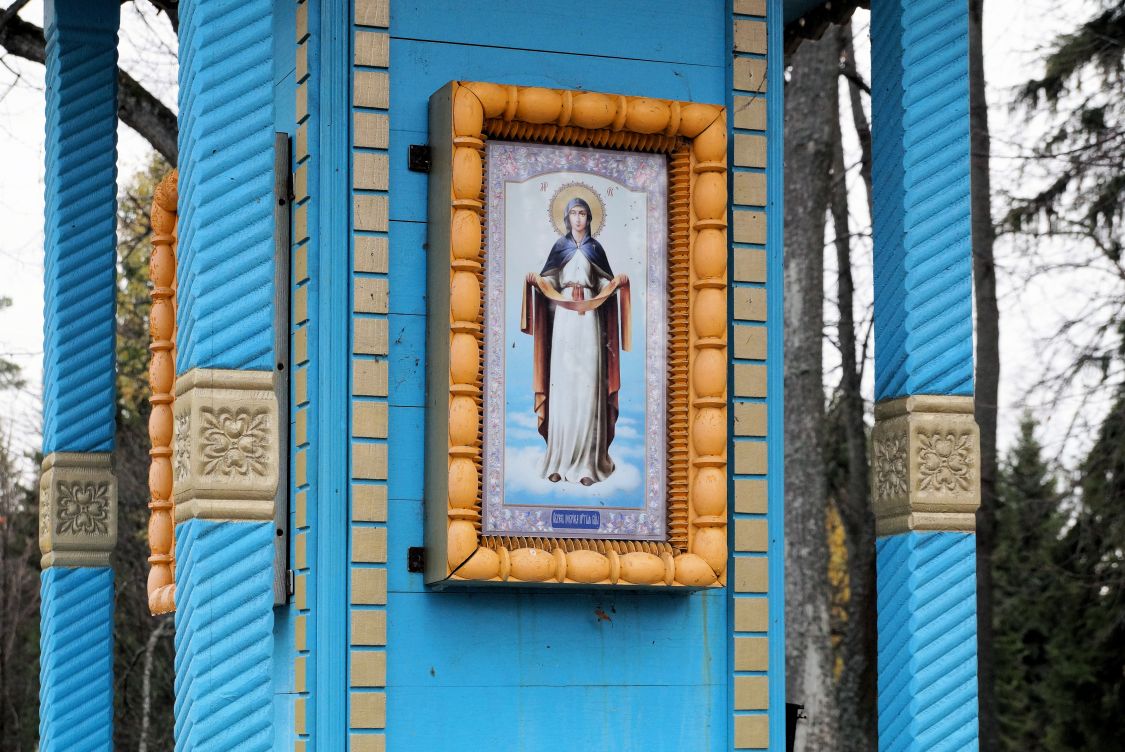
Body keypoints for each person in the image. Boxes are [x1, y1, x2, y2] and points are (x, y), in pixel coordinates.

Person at [520, 197, 630, 486]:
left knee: (588, 384)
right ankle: (559, 460)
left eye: (583, 213)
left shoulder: (596, 249)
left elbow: (603, 284)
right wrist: (537, 280)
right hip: (565, 321)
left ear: (589, 218)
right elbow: (551, 283)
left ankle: (587, 465)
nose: (578, 218)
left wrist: (615, 282)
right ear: (567, 218)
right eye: (574, 213)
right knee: (564, 383)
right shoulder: (560, 247)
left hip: (590, 320)